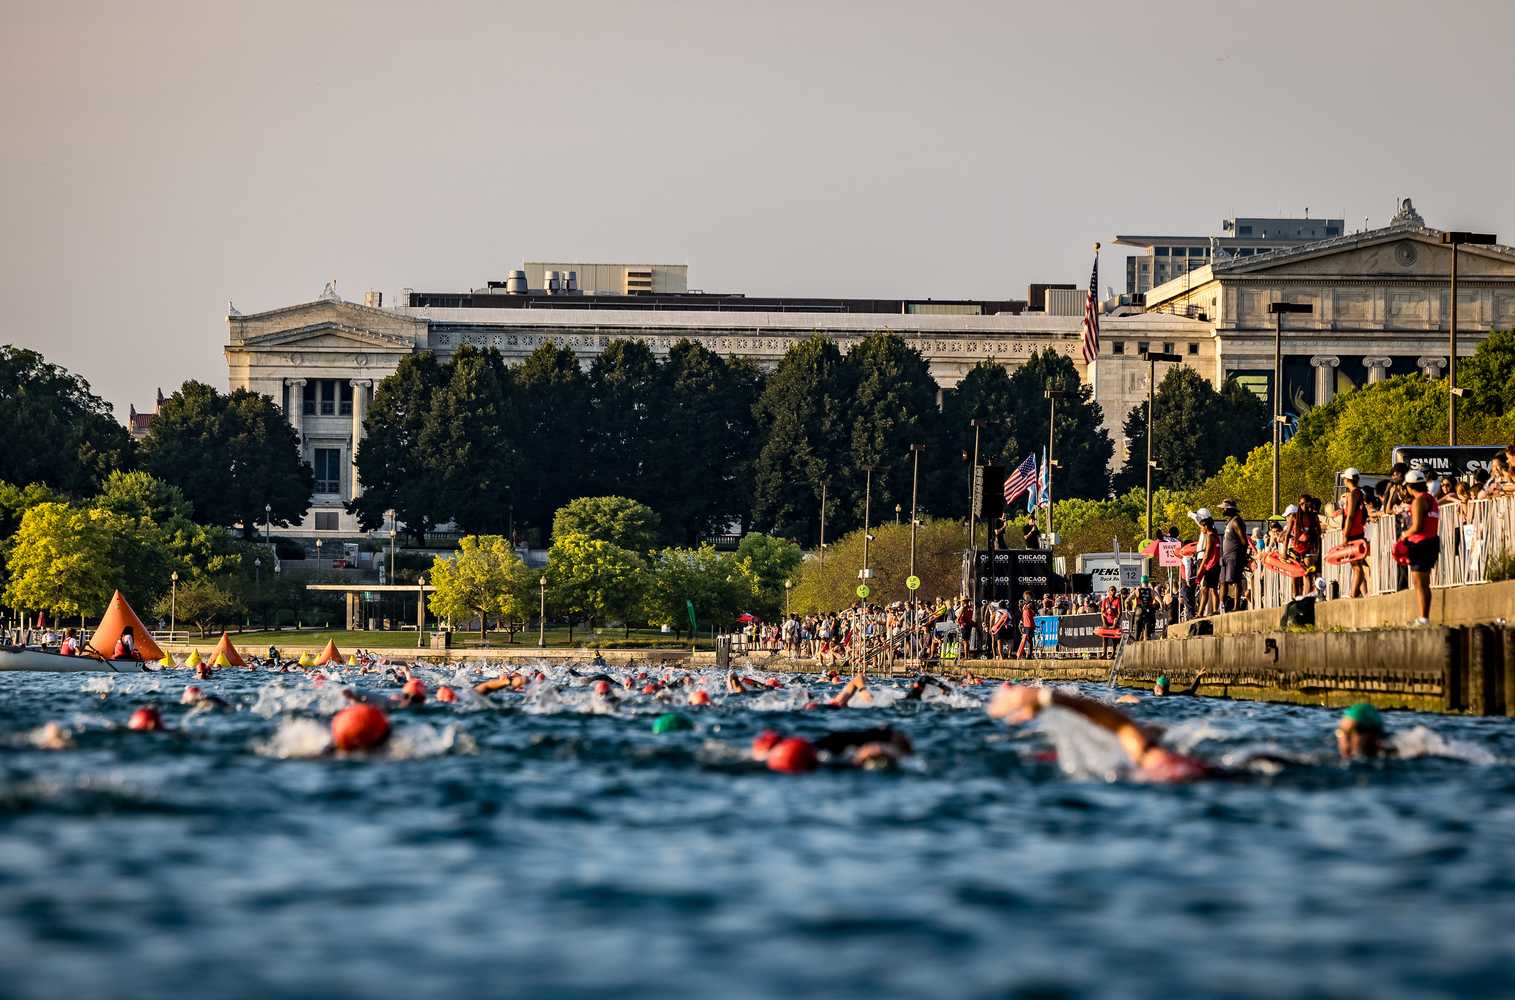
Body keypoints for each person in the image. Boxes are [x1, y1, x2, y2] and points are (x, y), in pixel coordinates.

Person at [1399, 469, 1440, 625]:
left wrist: (1403, 535)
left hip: (1421, 544)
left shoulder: (1419, 501)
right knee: (1424, 582)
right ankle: (1424, 616)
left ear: (1410, 487)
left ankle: (1423, 618)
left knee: (1419, 583)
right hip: (1432, 542)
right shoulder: (1431, 499)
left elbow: (1416, 526)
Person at [1339, 468, 1370, 599]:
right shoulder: (1360, 493)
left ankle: (1353, 594)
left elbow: (1350, 516)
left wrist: (1345, 535)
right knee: (1359, 564)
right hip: (1359, 532)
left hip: (1353, 533)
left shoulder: (1352, 494)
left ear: (1347, 480)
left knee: (1356, 566)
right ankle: (1363, 593)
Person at [1219, 499, 1249, 612]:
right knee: (1223, 582)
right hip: (1226, 557)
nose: (1223, 510)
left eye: (1225, 508)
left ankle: (1236, 606)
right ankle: (1221, 607)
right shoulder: (1229, 522)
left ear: (1230, 509)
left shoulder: (1236, 522)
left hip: (1234, 556)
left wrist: (1242, 557)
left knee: (1235, 581)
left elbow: (1244, 541)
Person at [1193, 509, 1221, 617]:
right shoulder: (1216, 535)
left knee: (1204, 590)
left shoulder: (1210, 536)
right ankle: (1215, 610)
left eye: (1201, 527)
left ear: (1205, 527)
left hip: (1210, 566)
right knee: (1213, 589)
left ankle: (1200, 613)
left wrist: (1201, 569)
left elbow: (1207, 554)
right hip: (1216, 565)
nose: (1201, 530)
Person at [1098, 586, 1121, 658]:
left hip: (1114, 622)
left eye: (1114, 590)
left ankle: (1113, 654)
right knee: (1105, 639)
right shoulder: (1105, 600)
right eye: (1111, 590)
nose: (1113, 591)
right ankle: (1104, 654)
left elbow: (1119, 612)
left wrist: (1116, 622)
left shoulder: (1117, 600)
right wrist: (1104, 623)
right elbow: (1102, 612)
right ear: (1108, 591)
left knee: (1114, 639)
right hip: (1106, 622)